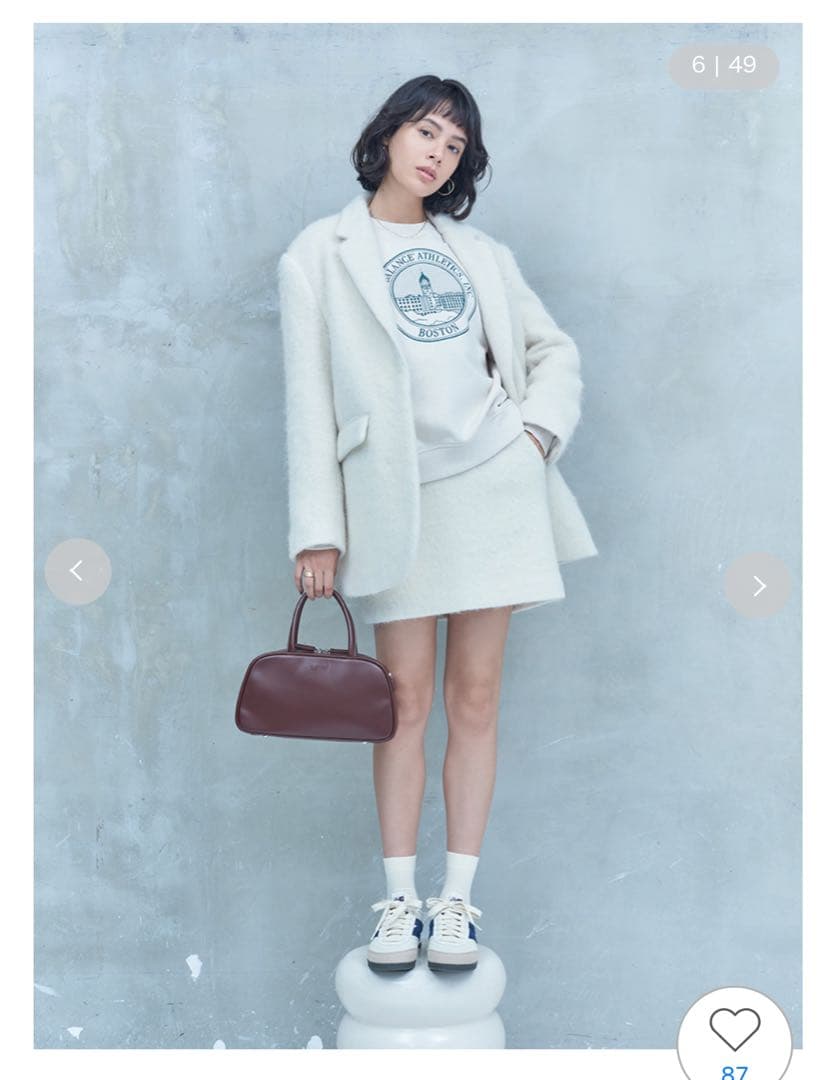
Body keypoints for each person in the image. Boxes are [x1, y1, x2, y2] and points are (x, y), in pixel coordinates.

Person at [277, 75, 597, 975]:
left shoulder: (479, 254)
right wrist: (317, 529)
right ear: (386, 134)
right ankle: (398, 900)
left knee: (476, 698)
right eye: (425, 132)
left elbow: (551, 351)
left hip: (494, 489)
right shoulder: (319, 254)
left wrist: (535, 436)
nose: (437, 154)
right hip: (396, 501)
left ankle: (455, 902)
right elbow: (308, 402)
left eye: (454, 147)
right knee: (403, 704)